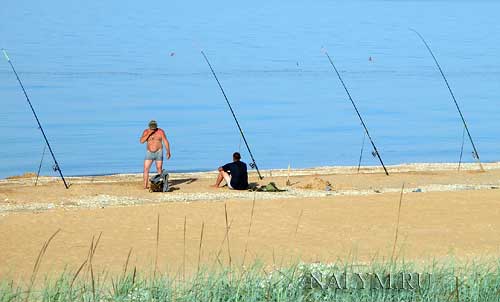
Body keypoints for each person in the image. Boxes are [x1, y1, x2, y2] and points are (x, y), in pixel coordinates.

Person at [140, 120, 171, 189]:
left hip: (159, 152)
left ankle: (160, 184)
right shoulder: (146, 131)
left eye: (154, 128)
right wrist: (149, 134)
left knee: (159, 168)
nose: (153, 129)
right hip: (149, 153)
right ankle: (145, 185)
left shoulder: (160, 131)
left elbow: (165, 141)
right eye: (152, 128)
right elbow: (141, 141)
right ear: (149, 127)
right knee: (146, 169)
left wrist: (168, 151)